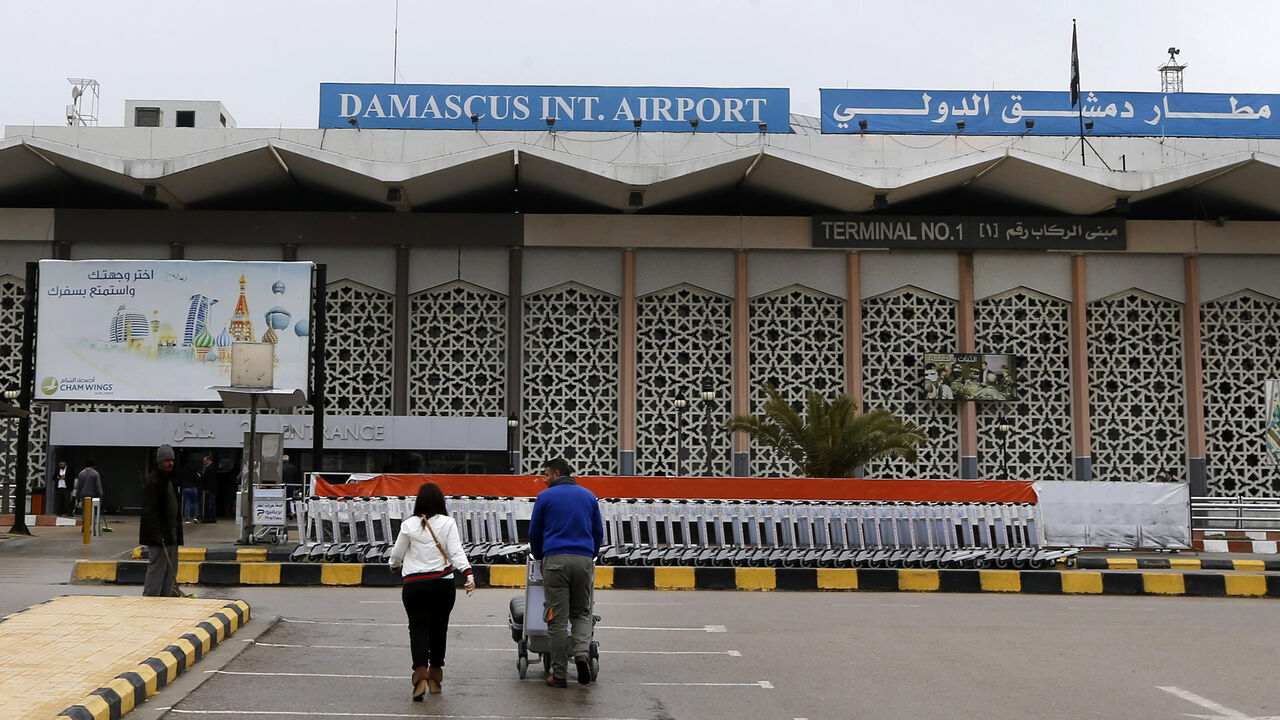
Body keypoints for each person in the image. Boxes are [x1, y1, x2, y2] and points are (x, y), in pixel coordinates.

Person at [388, 482, 475, 700]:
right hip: (442, 584)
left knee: (417, 629)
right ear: (440, 502)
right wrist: (468, 573)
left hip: (414, 585)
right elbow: (456, 552)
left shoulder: (408, 525)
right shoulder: (448, 523)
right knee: (439, 628)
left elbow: (397, 555)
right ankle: (435, 674)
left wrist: (394, 565)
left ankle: (419, 674)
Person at [528, 457, 603, 688]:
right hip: (583, 560)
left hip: (555, 560)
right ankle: (581, 654)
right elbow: (598, 532)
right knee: (581, 611)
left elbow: (534, 532)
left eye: (547, 474)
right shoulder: (589, 496)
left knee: (556, 618)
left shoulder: (545, 497)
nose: (544, 479)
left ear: (557, 473)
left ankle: (558, 674)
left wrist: (541, 556)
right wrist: (590, 555)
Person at [140, 445, 184, 597]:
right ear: (159, 462)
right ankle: (151, 599)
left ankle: (165, 599)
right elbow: (149, 512)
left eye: (172, 460)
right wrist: (157, 535)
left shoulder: (170, 479)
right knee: (157, 568)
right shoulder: (153, 481)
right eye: (167, 460)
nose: (170, 463)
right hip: (160, 535)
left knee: (171, 569)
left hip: (172, 532)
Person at [73, 459, 109, 532]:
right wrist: (100, 495)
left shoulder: (81, 473)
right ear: (93, 466)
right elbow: (98, 486)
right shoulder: (95, 474)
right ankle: (90, 527)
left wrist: (77, 497)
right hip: (93, 495)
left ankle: (84, 526)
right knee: (91, 512)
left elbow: (78, 486)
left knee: (85, 511)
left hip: (83, 495)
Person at [180, 454, 201, 524]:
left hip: (185, 488)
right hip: (193, 487)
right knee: (195, 503)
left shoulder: (183, 470)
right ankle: (195, 517)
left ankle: (187, 519)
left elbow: (181, 479)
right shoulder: (194, 470)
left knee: (187, 503)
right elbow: (198, 479)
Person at [199, 455, 218, 523]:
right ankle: (210, 517)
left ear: (208, 460)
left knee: (210, 503)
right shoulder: (210, 467)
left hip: (210, 488)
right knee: (210, 503)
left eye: (205, 460)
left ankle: (211, 518)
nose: (204, 462)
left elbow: (209, 479)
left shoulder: (210, 468)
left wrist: (207, 488)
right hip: (211, 488)